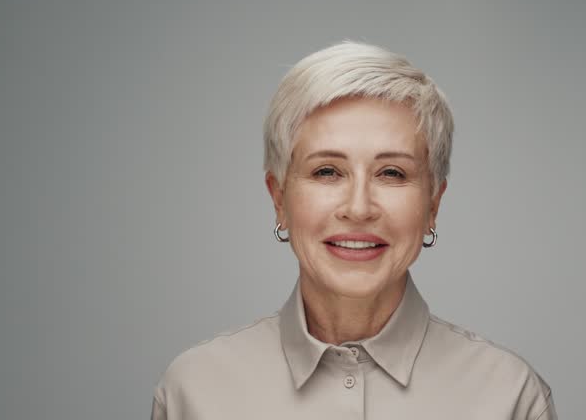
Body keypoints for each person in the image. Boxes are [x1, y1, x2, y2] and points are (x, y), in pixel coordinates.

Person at [150, 41, 557, 420]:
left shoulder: (511, 396)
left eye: (392, 173)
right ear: (279, 199)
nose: (359, 208)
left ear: (433, 203)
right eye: (327, 171)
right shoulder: (193, 392)